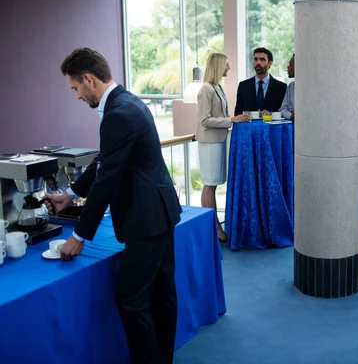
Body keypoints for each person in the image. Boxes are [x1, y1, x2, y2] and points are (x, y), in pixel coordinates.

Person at [45, 47, 182, 364]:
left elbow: (107, 180)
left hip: (144, 219)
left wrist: (78, 237)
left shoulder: (118, 113)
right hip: (159, 211)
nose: (77, 96)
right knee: (163, 295)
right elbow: (106, 159)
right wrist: (70, 194)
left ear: (89, 79)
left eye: (75, 88)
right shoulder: (128, 101)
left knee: (131, 301)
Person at [195, 53, 250, 243]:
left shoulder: (216, 87)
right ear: (218, 66)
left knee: (213, 183)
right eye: (227, 65)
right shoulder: (206, 90)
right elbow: (205, 120)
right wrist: (232, 120)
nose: (229, 69)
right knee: (210, 184)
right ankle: (215, 227)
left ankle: (212, 225)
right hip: (209, 142)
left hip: (217, 140)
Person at [234, 47, 287, 115]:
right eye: (255, 59)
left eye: (262, 59)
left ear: (270, 63)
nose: (258, 62)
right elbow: (237, 113)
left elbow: (283, 112)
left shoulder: (281, 87)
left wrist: (270, 114)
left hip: (271, 125)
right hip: (249, 125)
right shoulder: (243, 86)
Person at [280, 53, 295, 120]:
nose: (288, 67)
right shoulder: (291, 86)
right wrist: (291, 115)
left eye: (290, 64)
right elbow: (282, 109)